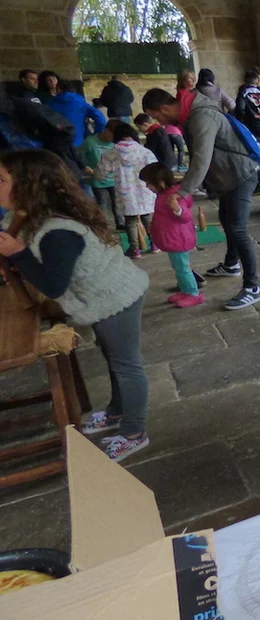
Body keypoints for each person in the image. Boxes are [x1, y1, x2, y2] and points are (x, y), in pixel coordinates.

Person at [0, 149, 151, 461]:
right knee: (113, 357)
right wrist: (18, 258)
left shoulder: (58, 232)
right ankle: (117, 411)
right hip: (100, 298)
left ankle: (134, 433)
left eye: (1, 180)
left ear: (28, 186)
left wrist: (18, 254)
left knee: (126, 365)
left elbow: (53, 284)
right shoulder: (31, 218)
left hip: (117, 297)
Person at [142, 87, 260, 310]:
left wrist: (182, 192)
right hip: (228, 176)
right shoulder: (191, 114)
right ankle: (231, 264)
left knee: (238, 229)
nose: (159, 121)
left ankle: (252, 287)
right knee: (227, 222)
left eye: (156, 116)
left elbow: (201, 160)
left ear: (164, 108)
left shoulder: (201, 116)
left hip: (241, 174)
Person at [140, 162, 204, 308]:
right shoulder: (164, 194)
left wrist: (177, 209)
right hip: (172, 238)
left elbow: (186, 216)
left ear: (160, 182)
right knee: (178, 268)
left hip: (178, 239)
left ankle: (193, 294)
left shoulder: (174, 197)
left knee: (183, 269)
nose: (147, 186)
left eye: (148, 183)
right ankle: (185, 290)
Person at [96, 122, 159, 260]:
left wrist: (96, 176)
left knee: (130, 221)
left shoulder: (111, 153)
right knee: (147, 217)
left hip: (125, 192)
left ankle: (134, 249)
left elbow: (101, 173)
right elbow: (155, 169)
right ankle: (154, 244)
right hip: (144, 189)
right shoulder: (144, 151)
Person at [83, 118, 125, 230]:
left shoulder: (117, 143)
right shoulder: (90, 142)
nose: (115, 137)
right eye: (113, 134)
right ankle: (104, 226)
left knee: (117, 203)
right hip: (97, 179)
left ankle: (121, 224)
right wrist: (84, 166)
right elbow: (79, 155)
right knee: (101, 203)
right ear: (106, 130)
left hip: (114, 179)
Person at [44, 81, 106, 147]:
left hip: (55, 145)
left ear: (58, 89)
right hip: (78, 143)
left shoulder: (48, 104)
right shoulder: (81, 103)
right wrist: (96, 136)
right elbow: (100, 119)